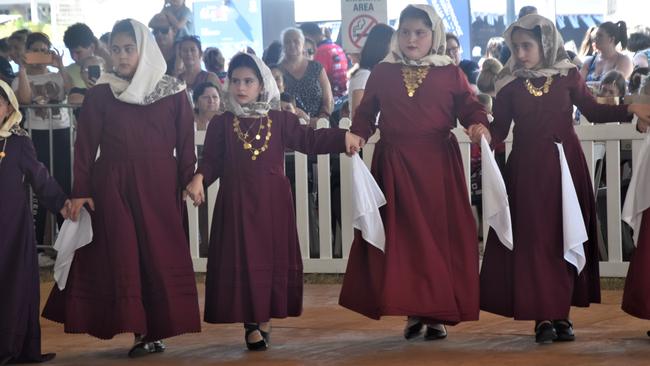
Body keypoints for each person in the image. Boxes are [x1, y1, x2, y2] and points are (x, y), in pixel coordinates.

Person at [470, 14, 650, 344]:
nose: (521, 53)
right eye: (516, 47)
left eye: (527, 46)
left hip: (567, 171)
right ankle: (542, 316)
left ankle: (562, 314)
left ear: (546, 44)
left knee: (565, 238)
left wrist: (629, 109)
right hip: (526, 173)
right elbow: (499, 132)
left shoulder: (568, 77)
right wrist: (481, 128)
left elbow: (594, 112)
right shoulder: (509, 86)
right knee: (534, 243)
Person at [41, 19, 201, 358]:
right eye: (116, 49)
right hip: (112, 186)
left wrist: (191, 178)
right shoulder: (102, 92)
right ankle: (140, 330)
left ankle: (155, 330)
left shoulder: (173, 91)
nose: (122, 55)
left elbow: (186, 143)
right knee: (125, 254)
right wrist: (81, 190)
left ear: (144, 49)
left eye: (129, 48)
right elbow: (84, 146)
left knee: (156, 255)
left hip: (159, 186)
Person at [185, 52, 362, 351]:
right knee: (245, 260)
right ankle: (251, 323)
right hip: (237, 204)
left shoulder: (279, 119)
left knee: (268, 261)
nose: (241, 87)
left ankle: (263, 316)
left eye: (249, 81)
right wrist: (200, 177)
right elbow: (213, 161)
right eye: (236, 81)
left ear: (261, 84)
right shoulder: (223, 123)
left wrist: (342, 138)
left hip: (272, 204)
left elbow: (310, 140)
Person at [339, 4, 488, 340]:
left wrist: (479, 124)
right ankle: (413, 311)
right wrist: (357, 135)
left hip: (437, 167)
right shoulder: (382, 71)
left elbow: (470, 106)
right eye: (405, 31)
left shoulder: (450, 72)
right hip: (394, 167)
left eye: (420, 32)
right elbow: (365, 114)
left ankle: (435, 314)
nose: (411, 38)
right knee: (404, 240)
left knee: (436, 238)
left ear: (433, 34)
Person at [0, 80, 70, 365]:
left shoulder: (18, 142)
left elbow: (40, 178)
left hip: (11, 230)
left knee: (14, 286)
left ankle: (15, 349)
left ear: (8, 107)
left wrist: (62, 204)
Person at [12, 32, 73, 253]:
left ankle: (66, 242)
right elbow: (24, 99)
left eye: (45, 50)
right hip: (36, 135)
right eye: (35, 49)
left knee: (63, 184)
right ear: (27, 51)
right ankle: (37, 245)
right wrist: (22, 68)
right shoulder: (20, 78)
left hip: (61, 133)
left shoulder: (57, 75)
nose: (40, 54)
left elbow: (69, 88)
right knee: (37, 186)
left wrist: (61, 66)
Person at [280, 27, 333, 122]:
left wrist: (321, 120)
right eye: (288, 42)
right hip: (288, 126)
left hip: (319, 126)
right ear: (283, 46)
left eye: (296, 41)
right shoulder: (277, 71)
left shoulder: (316, 67)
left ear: (303, 44)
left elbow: (328, 99)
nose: (292, 45)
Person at [349, 24, 394, 117]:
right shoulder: (364, 76)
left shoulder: (374, 73)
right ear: (383, 46)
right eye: (393, 44)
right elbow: (357, 115)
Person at [300, 22, 348, 100]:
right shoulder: (337, 47)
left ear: (307, 36)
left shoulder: (320, 51)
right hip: (341, 97)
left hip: (329, 99)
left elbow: (314, 79)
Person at [63, 23, 112, 89]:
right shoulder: (64, 72)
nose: (74, 57)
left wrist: (102, 50)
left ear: (92, 47)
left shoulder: (107, 68)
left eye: (78, 52)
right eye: (71, 52)